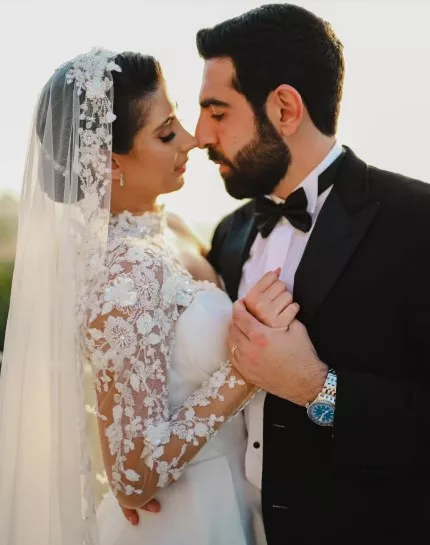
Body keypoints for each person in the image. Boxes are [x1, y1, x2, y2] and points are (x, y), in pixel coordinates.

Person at [0, 48, 298, 545]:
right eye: (165, 133)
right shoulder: (123, 272)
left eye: (176, 119)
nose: (190, 139)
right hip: (188, 516)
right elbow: (133, 476)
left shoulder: (172, 228)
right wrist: (248, 370)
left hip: (241, 491)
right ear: (111, 161)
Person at [195, 4, 430, 545]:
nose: (201, 135)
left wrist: (317, 387)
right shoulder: (230, 234)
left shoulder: (417, 223)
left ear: (284, 108)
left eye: (218, 112)